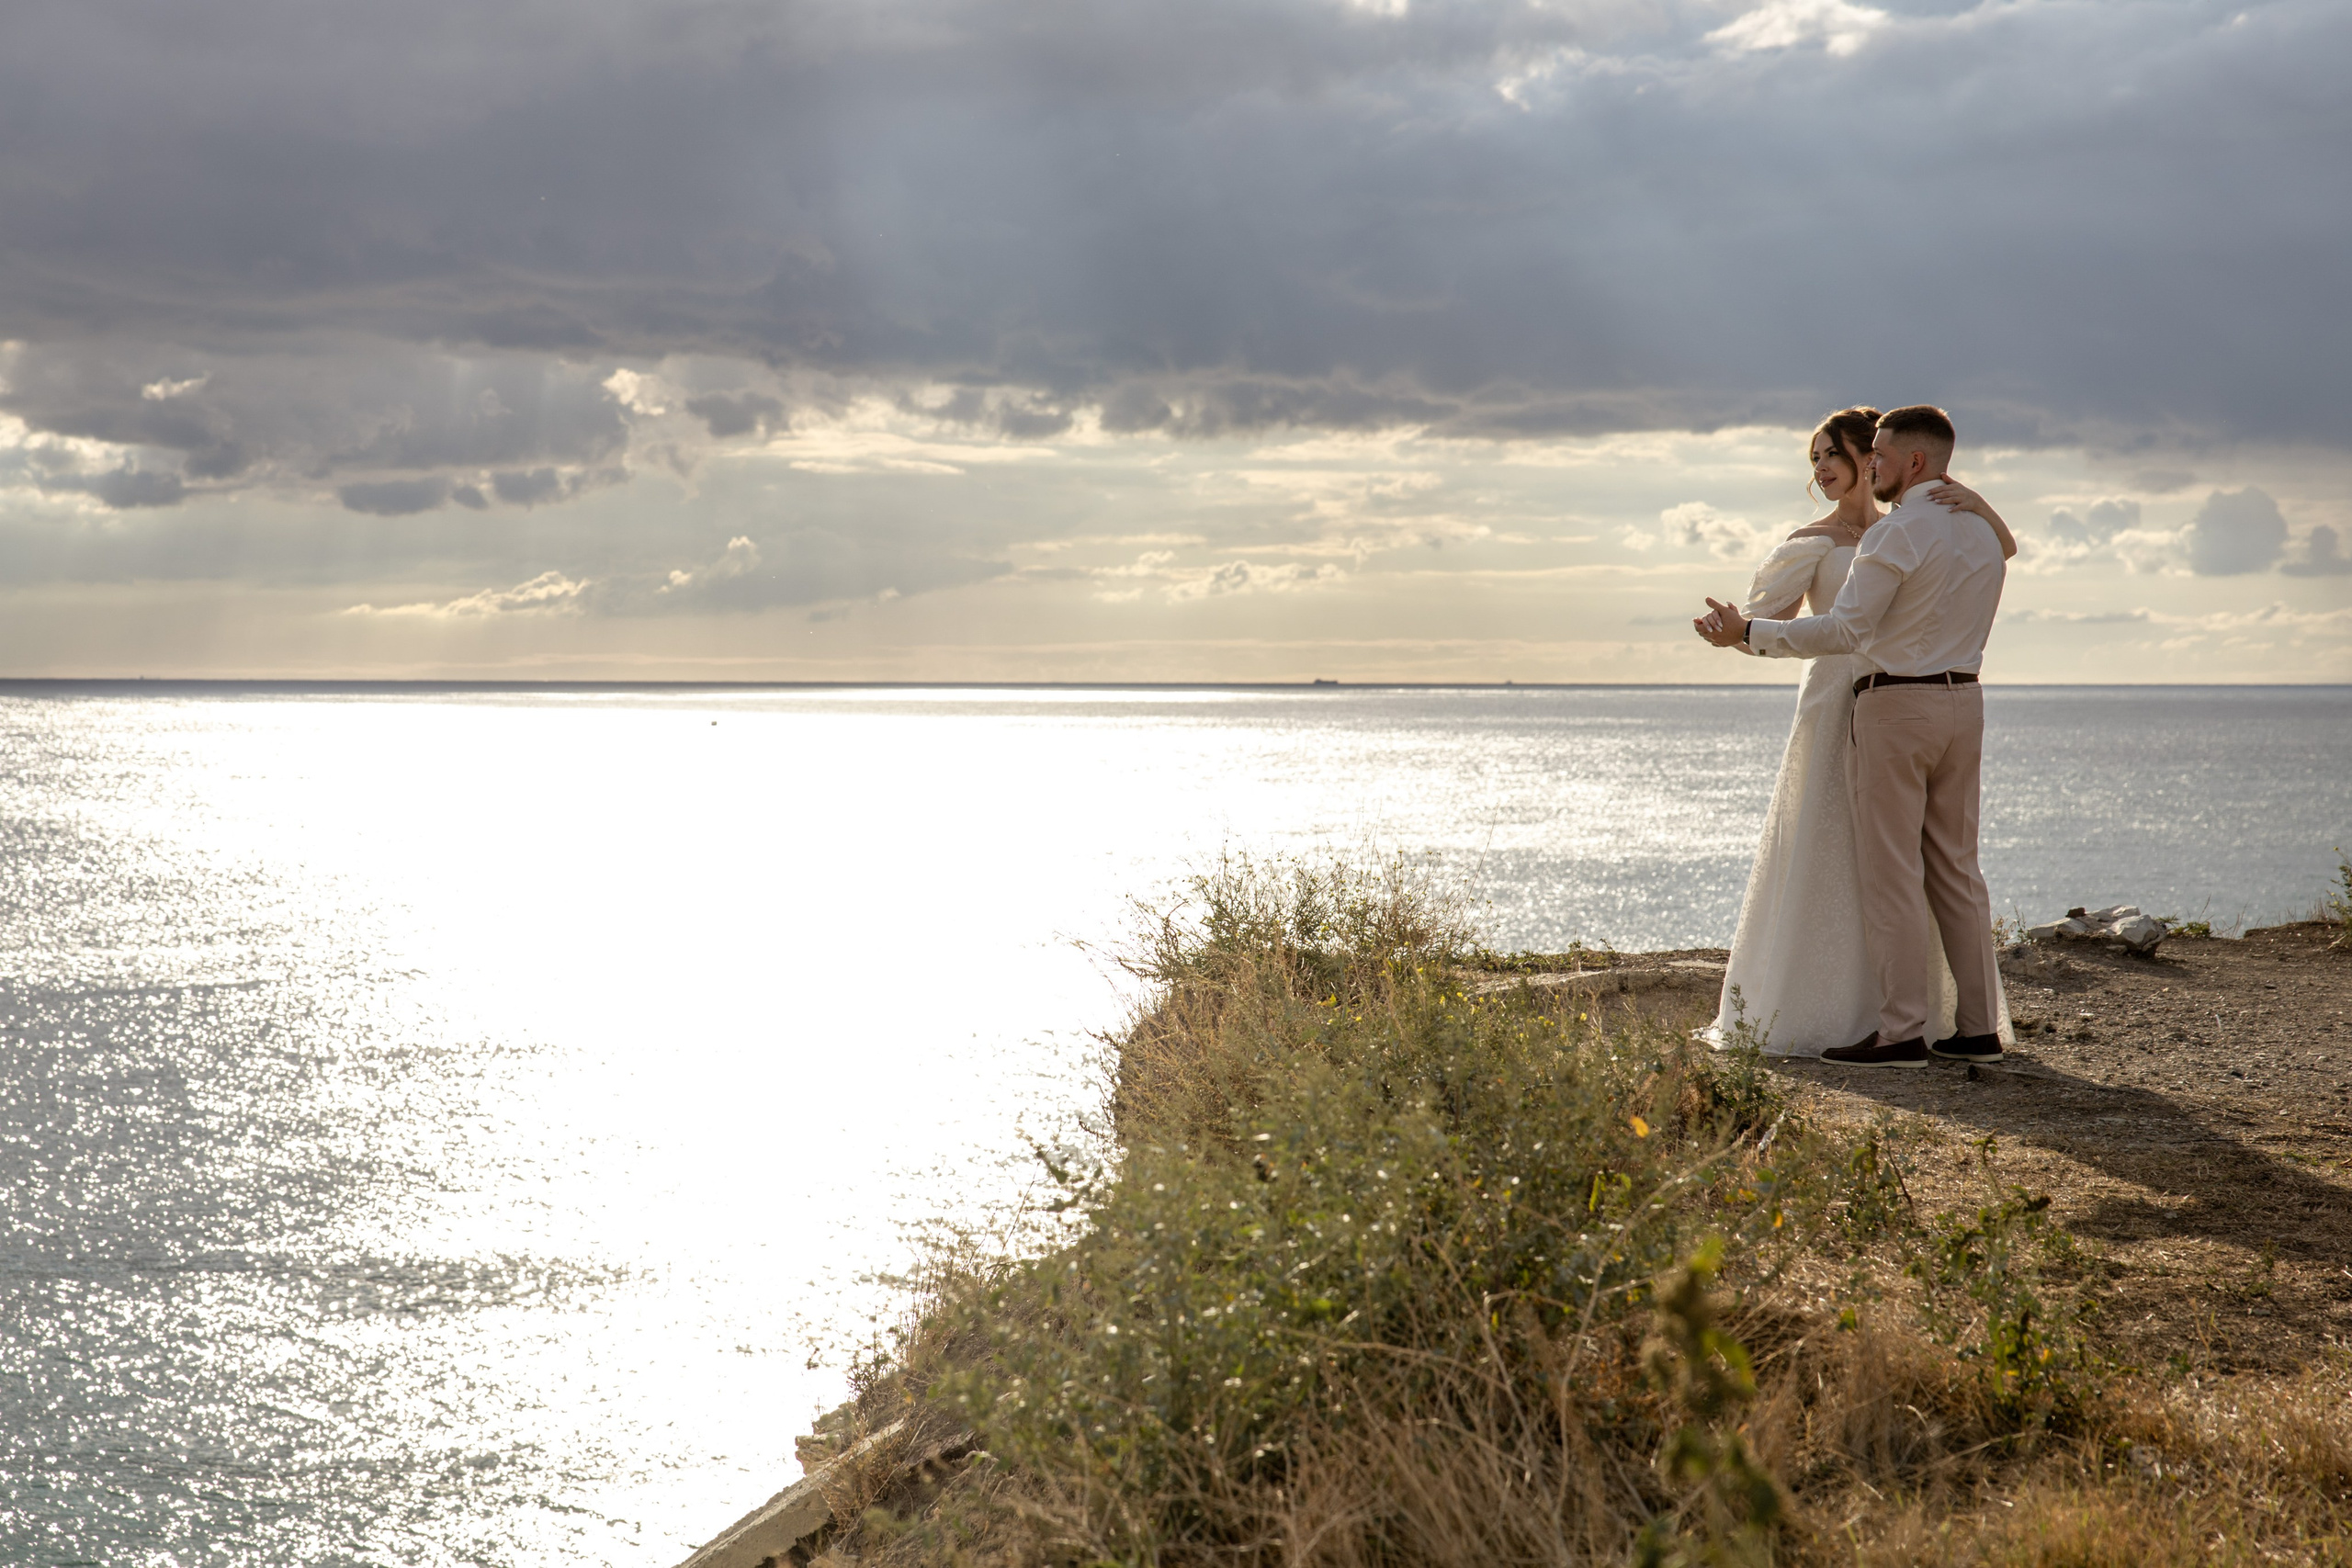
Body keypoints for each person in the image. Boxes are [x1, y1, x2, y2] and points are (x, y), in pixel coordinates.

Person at [1694, 405, 2013, 1067]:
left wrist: (1747, 632)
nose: (1869, 466)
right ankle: (1978, 1028)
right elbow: (2006, 549)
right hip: (1965, 701)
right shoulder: (1980, 531)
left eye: (1877, 456)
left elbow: (1845, 631)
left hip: (1895, 705)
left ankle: (1900, 1032)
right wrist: (1980, 502)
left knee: (1892, 873)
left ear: (1910, 461)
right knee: (1957, 868)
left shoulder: (1895, 533)